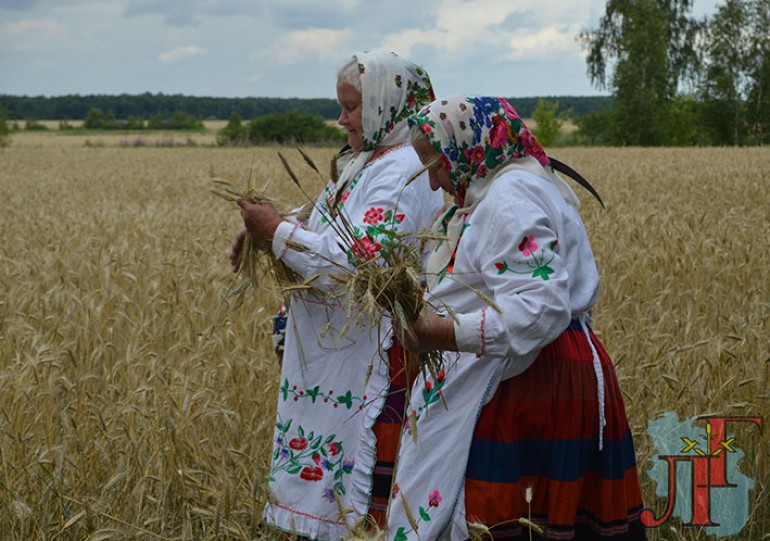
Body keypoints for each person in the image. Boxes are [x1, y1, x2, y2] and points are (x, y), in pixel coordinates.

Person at [385, 96, 645, 540]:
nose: (432, 184)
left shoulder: (510, 199)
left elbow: (539, 310)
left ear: (468, 148)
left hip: (533, 381)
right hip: (527, 372)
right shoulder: (493, 191)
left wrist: (440, 331)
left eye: (437, 166)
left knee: (507, 522)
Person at [230, 52, 443, 540]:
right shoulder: (366, 161)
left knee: (368, 503)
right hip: (341, 356)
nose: (341, 118)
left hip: (374, 361)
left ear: (390, 107)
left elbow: (357, 262)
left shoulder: (405, 170)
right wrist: (270, 231)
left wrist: (280, 232)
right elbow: (330, 223)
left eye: (351, 108)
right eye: (342, 106)